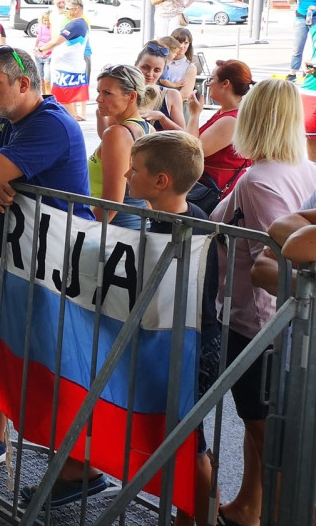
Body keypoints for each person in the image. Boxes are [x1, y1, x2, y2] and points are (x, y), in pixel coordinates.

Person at [0, 46, 99, 491]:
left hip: (58, 268)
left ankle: (81, 468)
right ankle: (6, 441)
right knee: (15, 351)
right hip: (25, 260)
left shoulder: (50, 123)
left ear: (23, 83)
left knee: (57, 366)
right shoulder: (6, 121)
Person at [211, 79, 316, 526]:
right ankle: (247, 507)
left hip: (257, 324)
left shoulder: (259, 180)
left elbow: (272, 260)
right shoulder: (305, 168)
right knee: (261, 428)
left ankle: (275, 513)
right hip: (273, 323)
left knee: (266, 434)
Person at [124, 131, 214, 526]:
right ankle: (183, 516)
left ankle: (198, 518)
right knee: (175, 435)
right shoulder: (161, 219)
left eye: (135, 169)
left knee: (191, 442)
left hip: (189, 346)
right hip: (167, 340)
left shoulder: (189, 229)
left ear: (161, 180)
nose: (126, 174)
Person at [88, 65, 151, 227]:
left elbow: (111, 201)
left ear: (131, 97)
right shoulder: (147, 128)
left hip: (113, 229)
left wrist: (86, 231)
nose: (99, 99)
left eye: (107, 93)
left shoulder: (117, 133)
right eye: (99, 92)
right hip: (134, 225)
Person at [36, 0, 89, 121]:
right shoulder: (78, 23)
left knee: (65, 98)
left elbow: (57, 41)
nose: (66, 11)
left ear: (76, 10)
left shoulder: (76, 24)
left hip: (68, 69)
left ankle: (71, 118)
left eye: (68, 8)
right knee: (67, 98)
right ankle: (73, 115)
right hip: (68, 67)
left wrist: (41, 49)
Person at [134, 41, 188, 132]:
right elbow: (109, 128)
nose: (150, 74)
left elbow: (183, 134)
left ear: (163, 71)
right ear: (136, 65)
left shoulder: (171, 95)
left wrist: (162, 118)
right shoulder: (124, 92)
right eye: (145, 67)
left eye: (157, 70)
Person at [287, 0, 316, 81]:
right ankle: (292, 72)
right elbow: (291, 2)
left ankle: (311, 72)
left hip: (315, 18)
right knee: (297, 46)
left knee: (315, 46)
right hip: (301, 17)